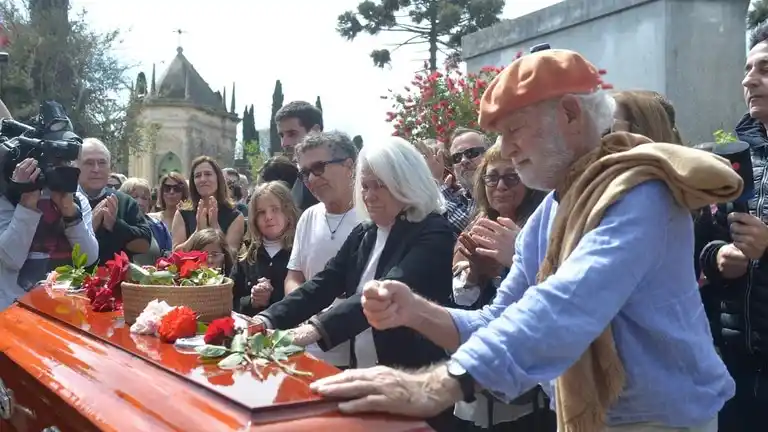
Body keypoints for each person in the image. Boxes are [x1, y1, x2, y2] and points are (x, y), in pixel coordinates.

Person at [311, 49, 739, 432]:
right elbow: (501, 316)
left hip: (662, 420)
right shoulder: (554, 208)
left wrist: (437, 384)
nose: (504, 148)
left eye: (513, 129)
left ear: (570, 114)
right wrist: (417, 311)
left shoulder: (639, 192)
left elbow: (566, 303)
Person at [254, 137, 459, 431]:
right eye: (365, 186)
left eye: (380, 185)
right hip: (366, 378)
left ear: (406, 182)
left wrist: (311, 330)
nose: (370, 195)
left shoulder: (433, 232)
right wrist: (267, 319)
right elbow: (323, 284)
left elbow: (386, 291)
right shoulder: (366, 233)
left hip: (415, 384)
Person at [695, 22, 768, 431]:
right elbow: (705, 244)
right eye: (747, 69)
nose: (748, 80)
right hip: (736, 367)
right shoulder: (735, 161)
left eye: (764, 69)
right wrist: (717, 257)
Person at [278, 131, 361, 368]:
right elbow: (294, 275)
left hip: (357, 356)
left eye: (319, 168)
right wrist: (302, 309)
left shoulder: (372, 219)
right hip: (307, 350)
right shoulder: (308, 217)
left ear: (349, 166)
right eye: (304, 173)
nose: (312, 179)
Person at [0, 157, 98, 310]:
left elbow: (89, 258)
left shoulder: (78, 200)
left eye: (63, 163)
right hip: (15, 309)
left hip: (66, 308)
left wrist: (69, 211)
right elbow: (10, 260)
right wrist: (27, 205)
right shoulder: (7, 199)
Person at [78, 138, 151, 263]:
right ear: (76, 167)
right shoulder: (66, 201)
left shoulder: (125, 202)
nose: (96, 169)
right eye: (89, 163)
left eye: (102, 163)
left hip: (118, 280)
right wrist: (90, 226)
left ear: (109, 168)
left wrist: (115, 225)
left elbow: (144, 245)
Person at [233, 181, 299, 315]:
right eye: (261, 212)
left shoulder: (300, 249)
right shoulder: (246, 254)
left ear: (288, 211)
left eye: (275, 209)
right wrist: (252, 300)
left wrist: (274, 296)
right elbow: (231, 300)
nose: (268, 217)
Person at [171, 156, 245, 253]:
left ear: (218, 178)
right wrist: (197, 233)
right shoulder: (182, 213)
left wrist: (216, 230)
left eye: (208, 174)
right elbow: (176, 253)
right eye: (197, 176)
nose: (202, 179)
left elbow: (232, 255)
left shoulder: (235, 216)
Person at [275, 101, 323, 211]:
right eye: (282, 135)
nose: (284, 143)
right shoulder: (295, 177)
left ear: (315, 132)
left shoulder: (334, 178)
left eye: (292, 134)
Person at [442, 129, 492, 233]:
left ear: (490, 153)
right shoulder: (459, 198)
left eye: (471, 153)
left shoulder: (505, 190)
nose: (463, 161)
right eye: (457, 157)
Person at [119, 178, 172, 266]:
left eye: (144, 198)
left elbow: (168, 255)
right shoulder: (113, 223)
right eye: (134, 197)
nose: (139, 202)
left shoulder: (159, 227)